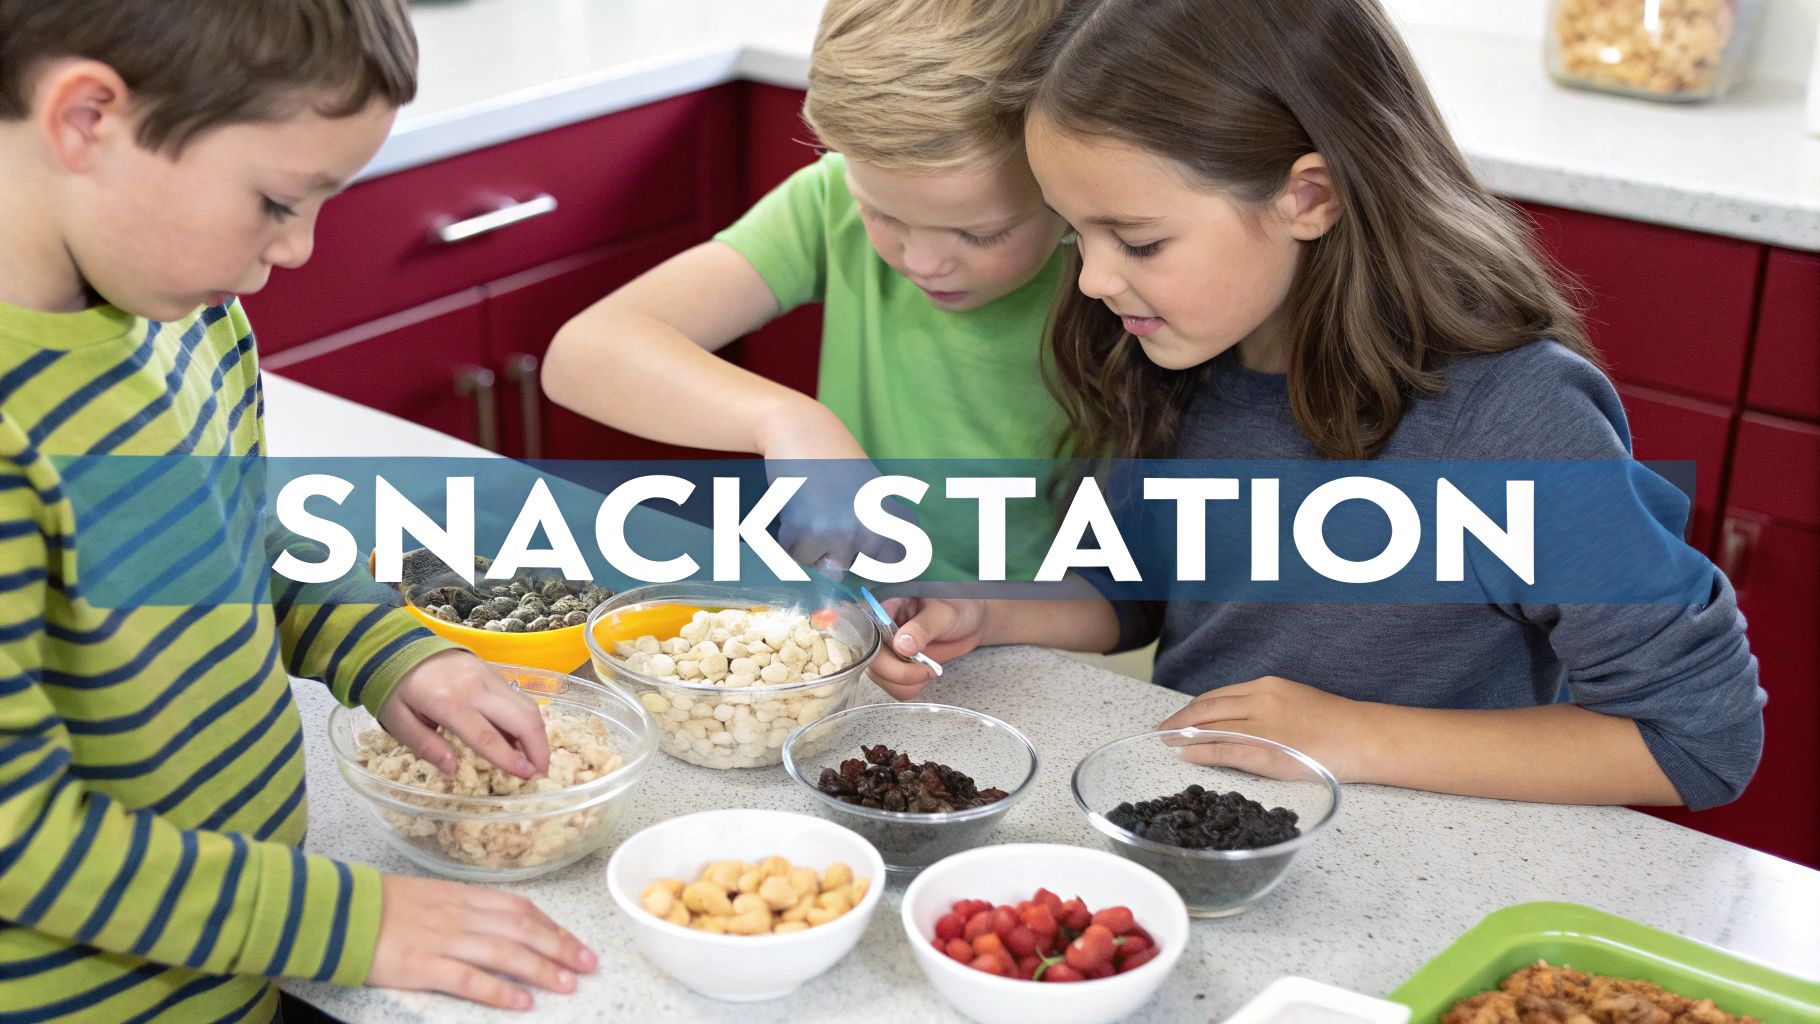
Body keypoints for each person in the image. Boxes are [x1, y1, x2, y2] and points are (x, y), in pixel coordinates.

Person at [868, 0, 1763, 812]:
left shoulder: (1516, 421)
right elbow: (1138, 584)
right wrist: (997, 610)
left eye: (1138, 241)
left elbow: (1700, 740)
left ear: (1311, 196)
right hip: (1219, 821)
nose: (1096, 279)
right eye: (1077, 233)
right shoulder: (1183, 350)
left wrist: (1353, 735)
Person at [0, 1, 595, 1017]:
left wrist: (391, 652)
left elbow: (236, 537)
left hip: (237, 960)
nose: (302, 250)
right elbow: (21, 837)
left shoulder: (183, 315)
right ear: (89, 117)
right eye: (279, 201)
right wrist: (355, 923)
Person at [543, 0, 1071, 578]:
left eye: (980, 234)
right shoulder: (829, 203)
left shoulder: (1113, 268)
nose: (920, 262)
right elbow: (583, 353)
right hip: (859, 616)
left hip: (1031, 644)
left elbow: (1124, 599)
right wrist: (788, 421)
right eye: (880, 214)